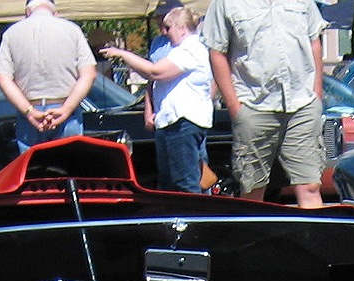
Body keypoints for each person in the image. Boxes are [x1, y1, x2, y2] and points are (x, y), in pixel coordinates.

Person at [199, 0, 327, 209]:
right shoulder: (225, 3)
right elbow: (216, 52)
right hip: (253, 106)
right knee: (253, 188)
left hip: (302, 104)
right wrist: (234, 105)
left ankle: (313, 240)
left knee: (310, 186)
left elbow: (314, 40)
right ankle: (251, 241)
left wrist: (317, 93)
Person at [101, 4, 212, 191]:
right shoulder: (180, 50)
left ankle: (191, 218)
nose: (164, 33)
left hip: (183, 122)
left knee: (185, 184)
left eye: (168, 28)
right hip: (170, 122)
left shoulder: (191, 49)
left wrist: (122, 54)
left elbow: (155, 72)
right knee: (169, 184)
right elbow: (152, 76)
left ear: (182, 28)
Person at [0, 0, 97, 152]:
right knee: (68, 170)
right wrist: (67, 109)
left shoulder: (11, 33)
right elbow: (89, 74)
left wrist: (29, 112)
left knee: (33, 173)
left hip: (30, 111)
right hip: (66, 109)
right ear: (55, 13)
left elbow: (2, 78)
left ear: (27, 12)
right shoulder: (72, 30)